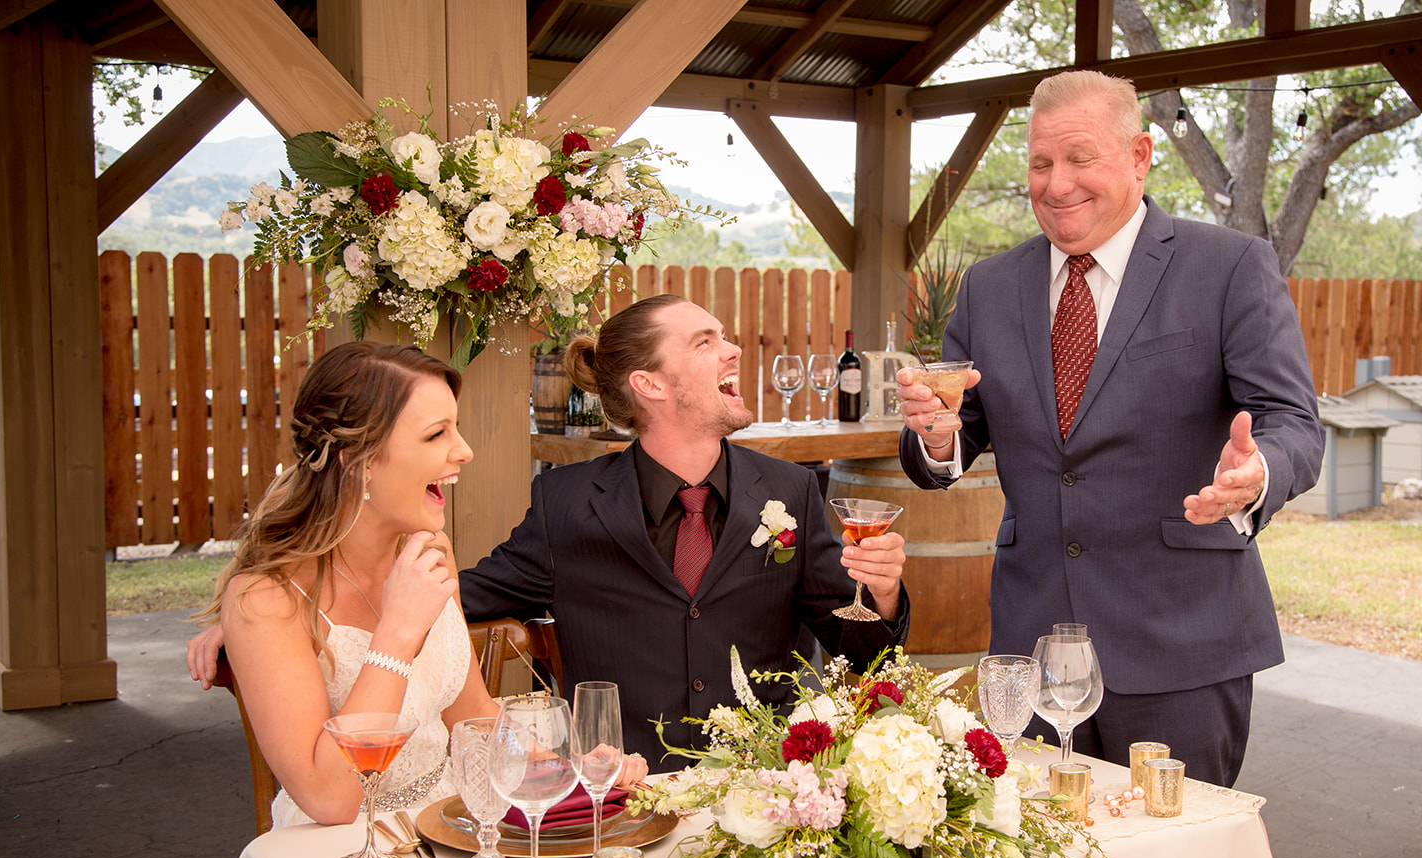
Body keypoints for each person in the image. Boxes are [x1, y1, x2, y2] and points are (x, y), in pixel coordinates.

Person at [897, 70, 1322, 788]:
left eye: (1079, 158)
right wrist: (936, 438)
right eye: (1039, 163)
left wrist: (1259, 474)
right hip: (1029, 649)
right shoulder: (989, 288)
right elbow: (956, 426)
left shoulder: (1228, 268)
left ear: (1139, 155)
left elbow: (1294, 424)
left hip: (1180, 648)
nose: (1056, 183)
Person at [191, 341, 646, 829]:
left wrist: (572, 770)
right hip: (342, 852)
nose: (464, 450)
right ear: (356, 459)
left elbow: (473, 716)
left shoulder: (425, 554)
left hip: (453, 826)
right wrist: (398, 632)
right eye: (436, 435)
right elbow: (330, 800)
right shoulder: (266, 601)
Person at [459, 294, 910, 765]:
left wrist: (884, 593)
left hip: (764, 795)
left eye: (723, 336)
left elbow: (863, 655)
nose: (733, 349)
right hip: (624, 801)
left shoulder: (791, 489)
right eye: (704, 342)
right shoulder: (565, 504)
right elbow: (455, 603)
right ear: (649, 384)